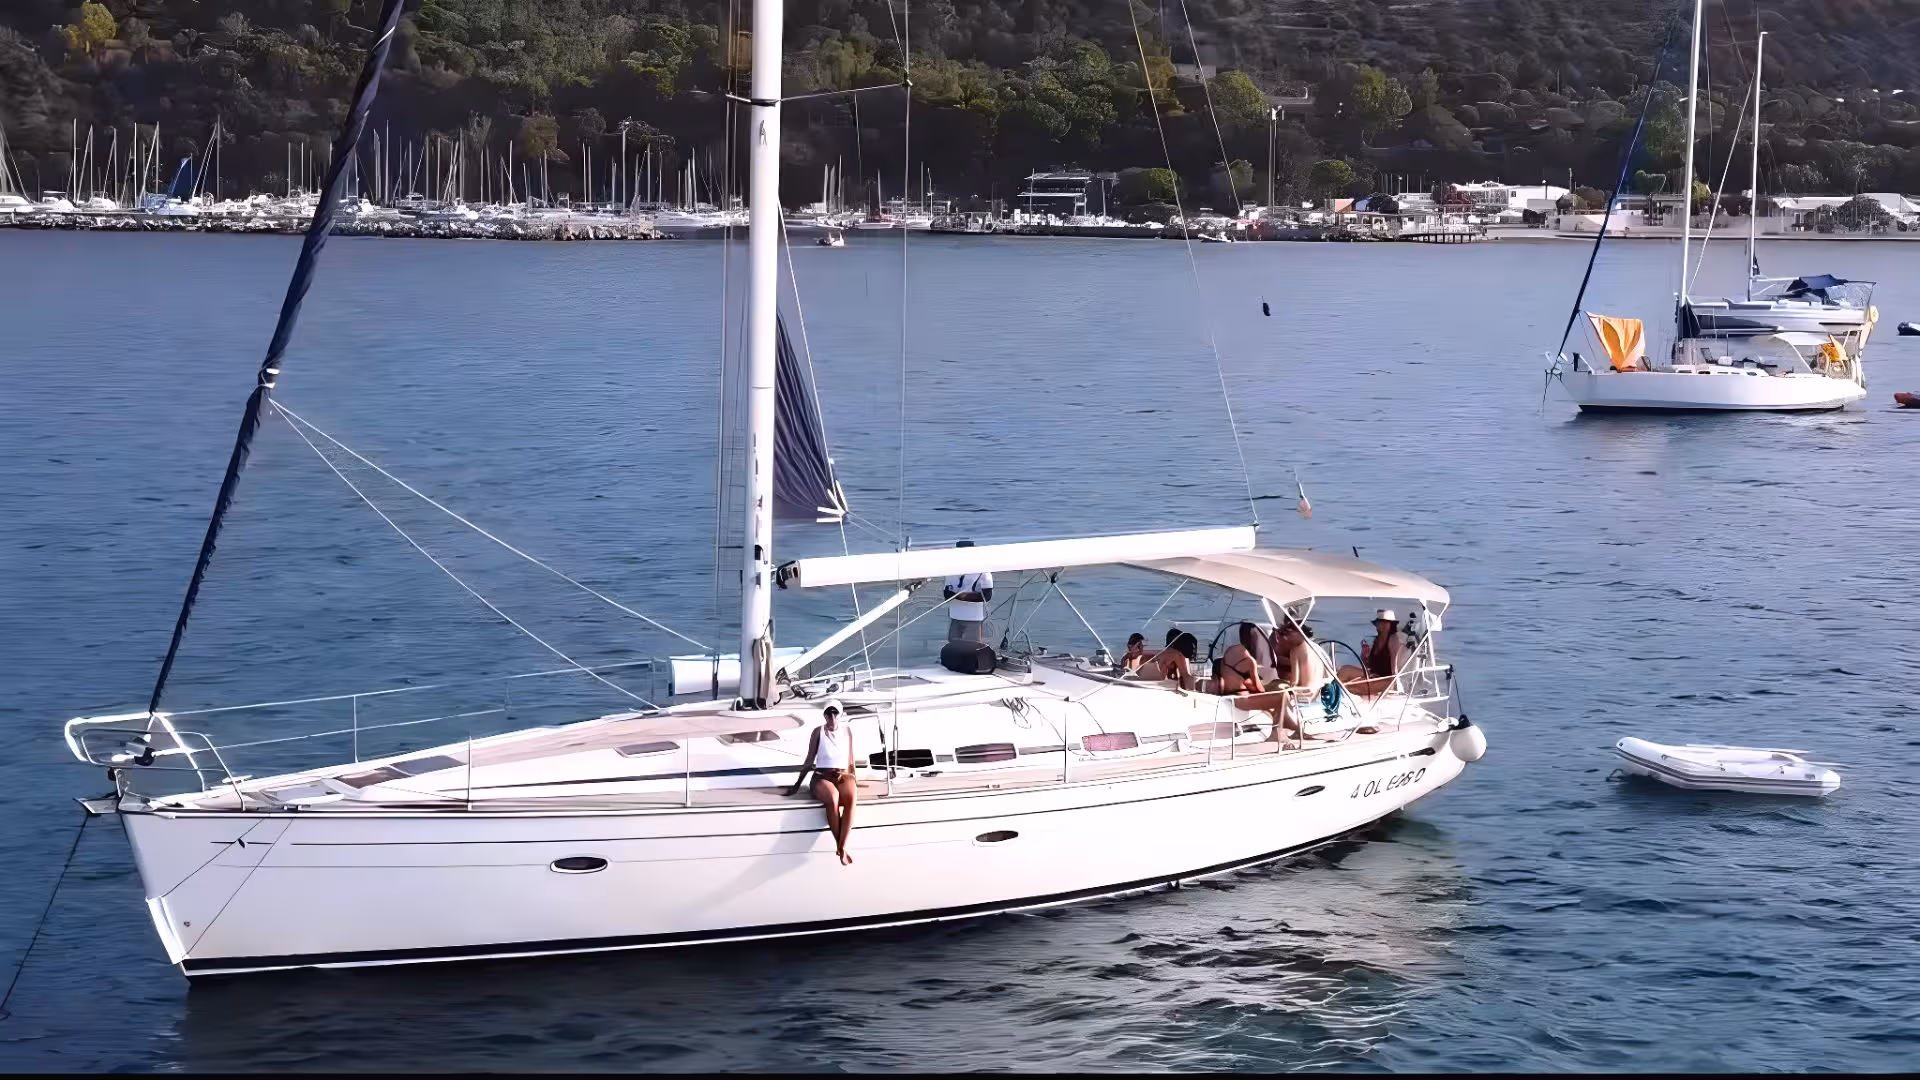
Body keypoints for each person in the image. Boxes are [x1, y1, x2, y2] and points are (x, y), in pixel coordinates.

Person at [784, 698, 858, 865]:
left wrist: (855, 780)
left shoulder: (847, 731)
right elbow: (809, 760)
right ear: (824, 716)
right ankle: (842, 849)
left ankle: (841, 847)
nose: (831, 718)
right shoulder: (818, 732)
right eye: (828, 714)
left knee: (851, 799)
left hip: (843, 776)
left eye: (834, 714)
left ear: (840, 715)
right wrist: (797, 785)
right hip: (821, 776)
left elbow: (851, 759)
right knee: (833, 799)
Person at [1339, 609, 1408, 699]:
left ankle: (1338, 692)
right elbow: (1368, 665)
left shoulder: (1393, 640)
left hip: (1386, 681)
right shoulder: (1376, 640)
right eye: (1378, 623)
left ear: (1388, 625)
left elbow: (1395, 667)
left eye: (1381, 623)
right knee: (1345, 669)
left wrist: (1394, 685)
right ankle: (1333, 690)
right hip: (1373, 676)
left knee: (1350, 686)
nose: (1378, 626)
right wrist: (1364, 656)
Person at [943, 539, 993, 643]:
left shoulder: (983, 571)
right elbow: (947, 594)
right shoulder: (950, 571)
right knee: (953, 645)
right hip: (955, 616)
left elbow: (987, 596)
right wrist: (960, 596)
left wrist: (962, 596)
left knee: (973, 647)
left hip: (973, 617)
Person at [1214, 621, 1266, 695]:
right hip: (1240, 694)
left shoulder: (1224, 656)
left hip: (1225, 695)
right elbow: (1260, 690)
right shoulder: (1250, 661)